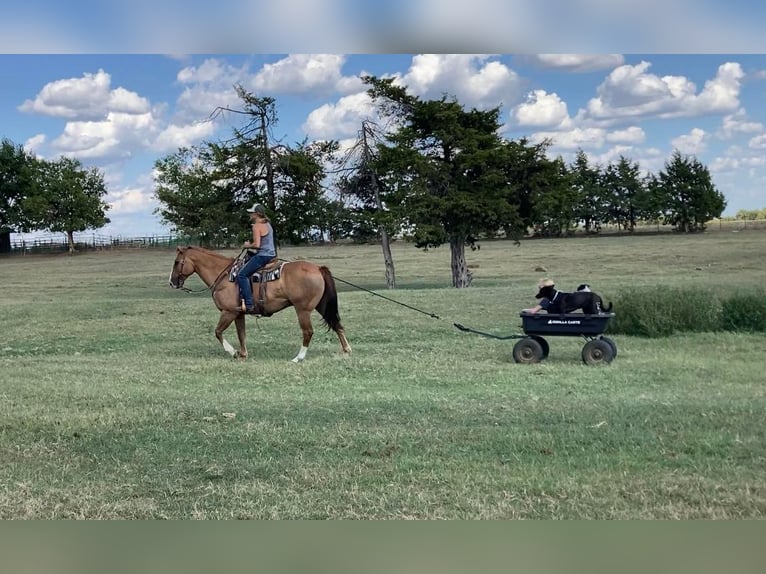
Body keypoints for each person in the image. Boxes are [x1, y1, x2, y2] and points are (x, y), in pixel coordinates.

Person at [237, 202, 277, 313]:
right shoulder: (268, 224)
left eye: (252, 213)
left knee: (241, 275)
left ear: (257, 214)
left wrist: (247, 245)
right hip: (271, 255)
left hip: (263, 256)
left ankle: (249, 304)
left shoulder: (256, 226)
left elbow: (257, 245)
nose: (250, 215)